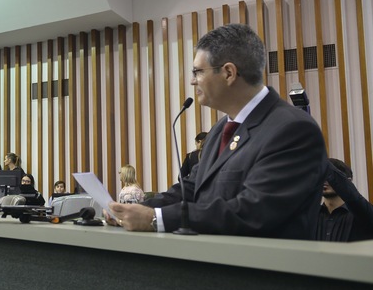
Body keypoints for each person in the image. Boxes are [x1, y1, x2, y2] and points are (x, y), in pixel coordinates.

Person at [109, 23, 326, 239]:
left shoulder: (293, 129)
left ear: (229, 73)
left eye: (197, 72)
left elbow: (252, 212)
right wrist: (133, 210)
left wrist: (157, 219)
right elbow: (191, 189)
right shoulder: (220, 129)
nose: (192, 81)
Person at [313, 158, 373, 242]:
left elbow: (354, 197)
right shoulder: (311, 215)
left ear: (348, 181)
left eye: (329, 177)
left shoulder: (363, 214)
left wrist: (321, 159)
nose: (324, 181)